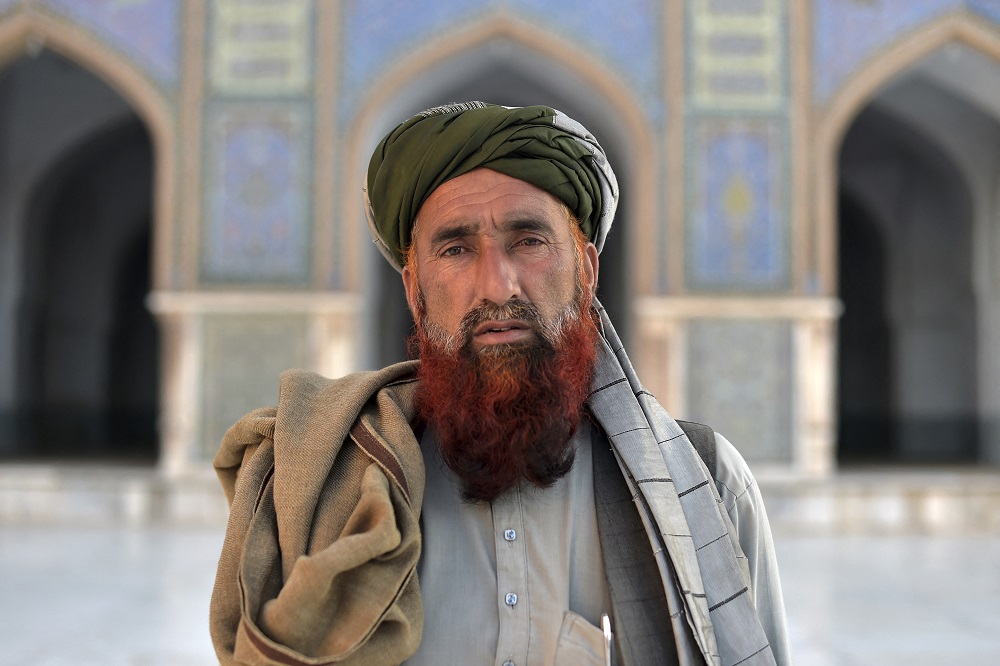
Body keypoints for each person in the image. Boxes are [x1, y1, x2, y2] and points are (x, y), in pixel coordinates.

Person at [210, 102, 791, 666]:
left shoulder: (707, 482)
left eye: (529, 241)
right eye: (457, 248)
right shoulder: (321, 482)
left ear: (586, 271)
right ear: (415, 290)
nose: (498, 286)